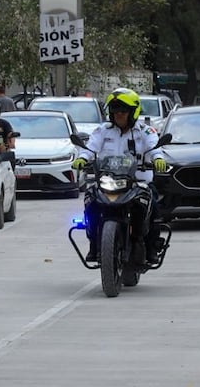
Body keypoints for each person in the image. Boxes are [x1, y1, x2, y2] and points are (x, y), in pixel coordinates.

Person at [70, 88, 169, 263]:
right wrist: (82, 159)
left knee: (152, 205)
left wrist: (158, 159)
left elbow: (155, 147)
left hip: (138, 183)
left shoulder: (146, 132)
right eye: (115, 111)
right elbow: (91, 148)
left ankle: (150, 246)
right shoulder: (102, 130)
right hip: (108, 181)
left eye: (123, 111)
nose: (119, 115)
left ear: (132, 112)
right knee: (90, 200)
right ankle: (94, 243)